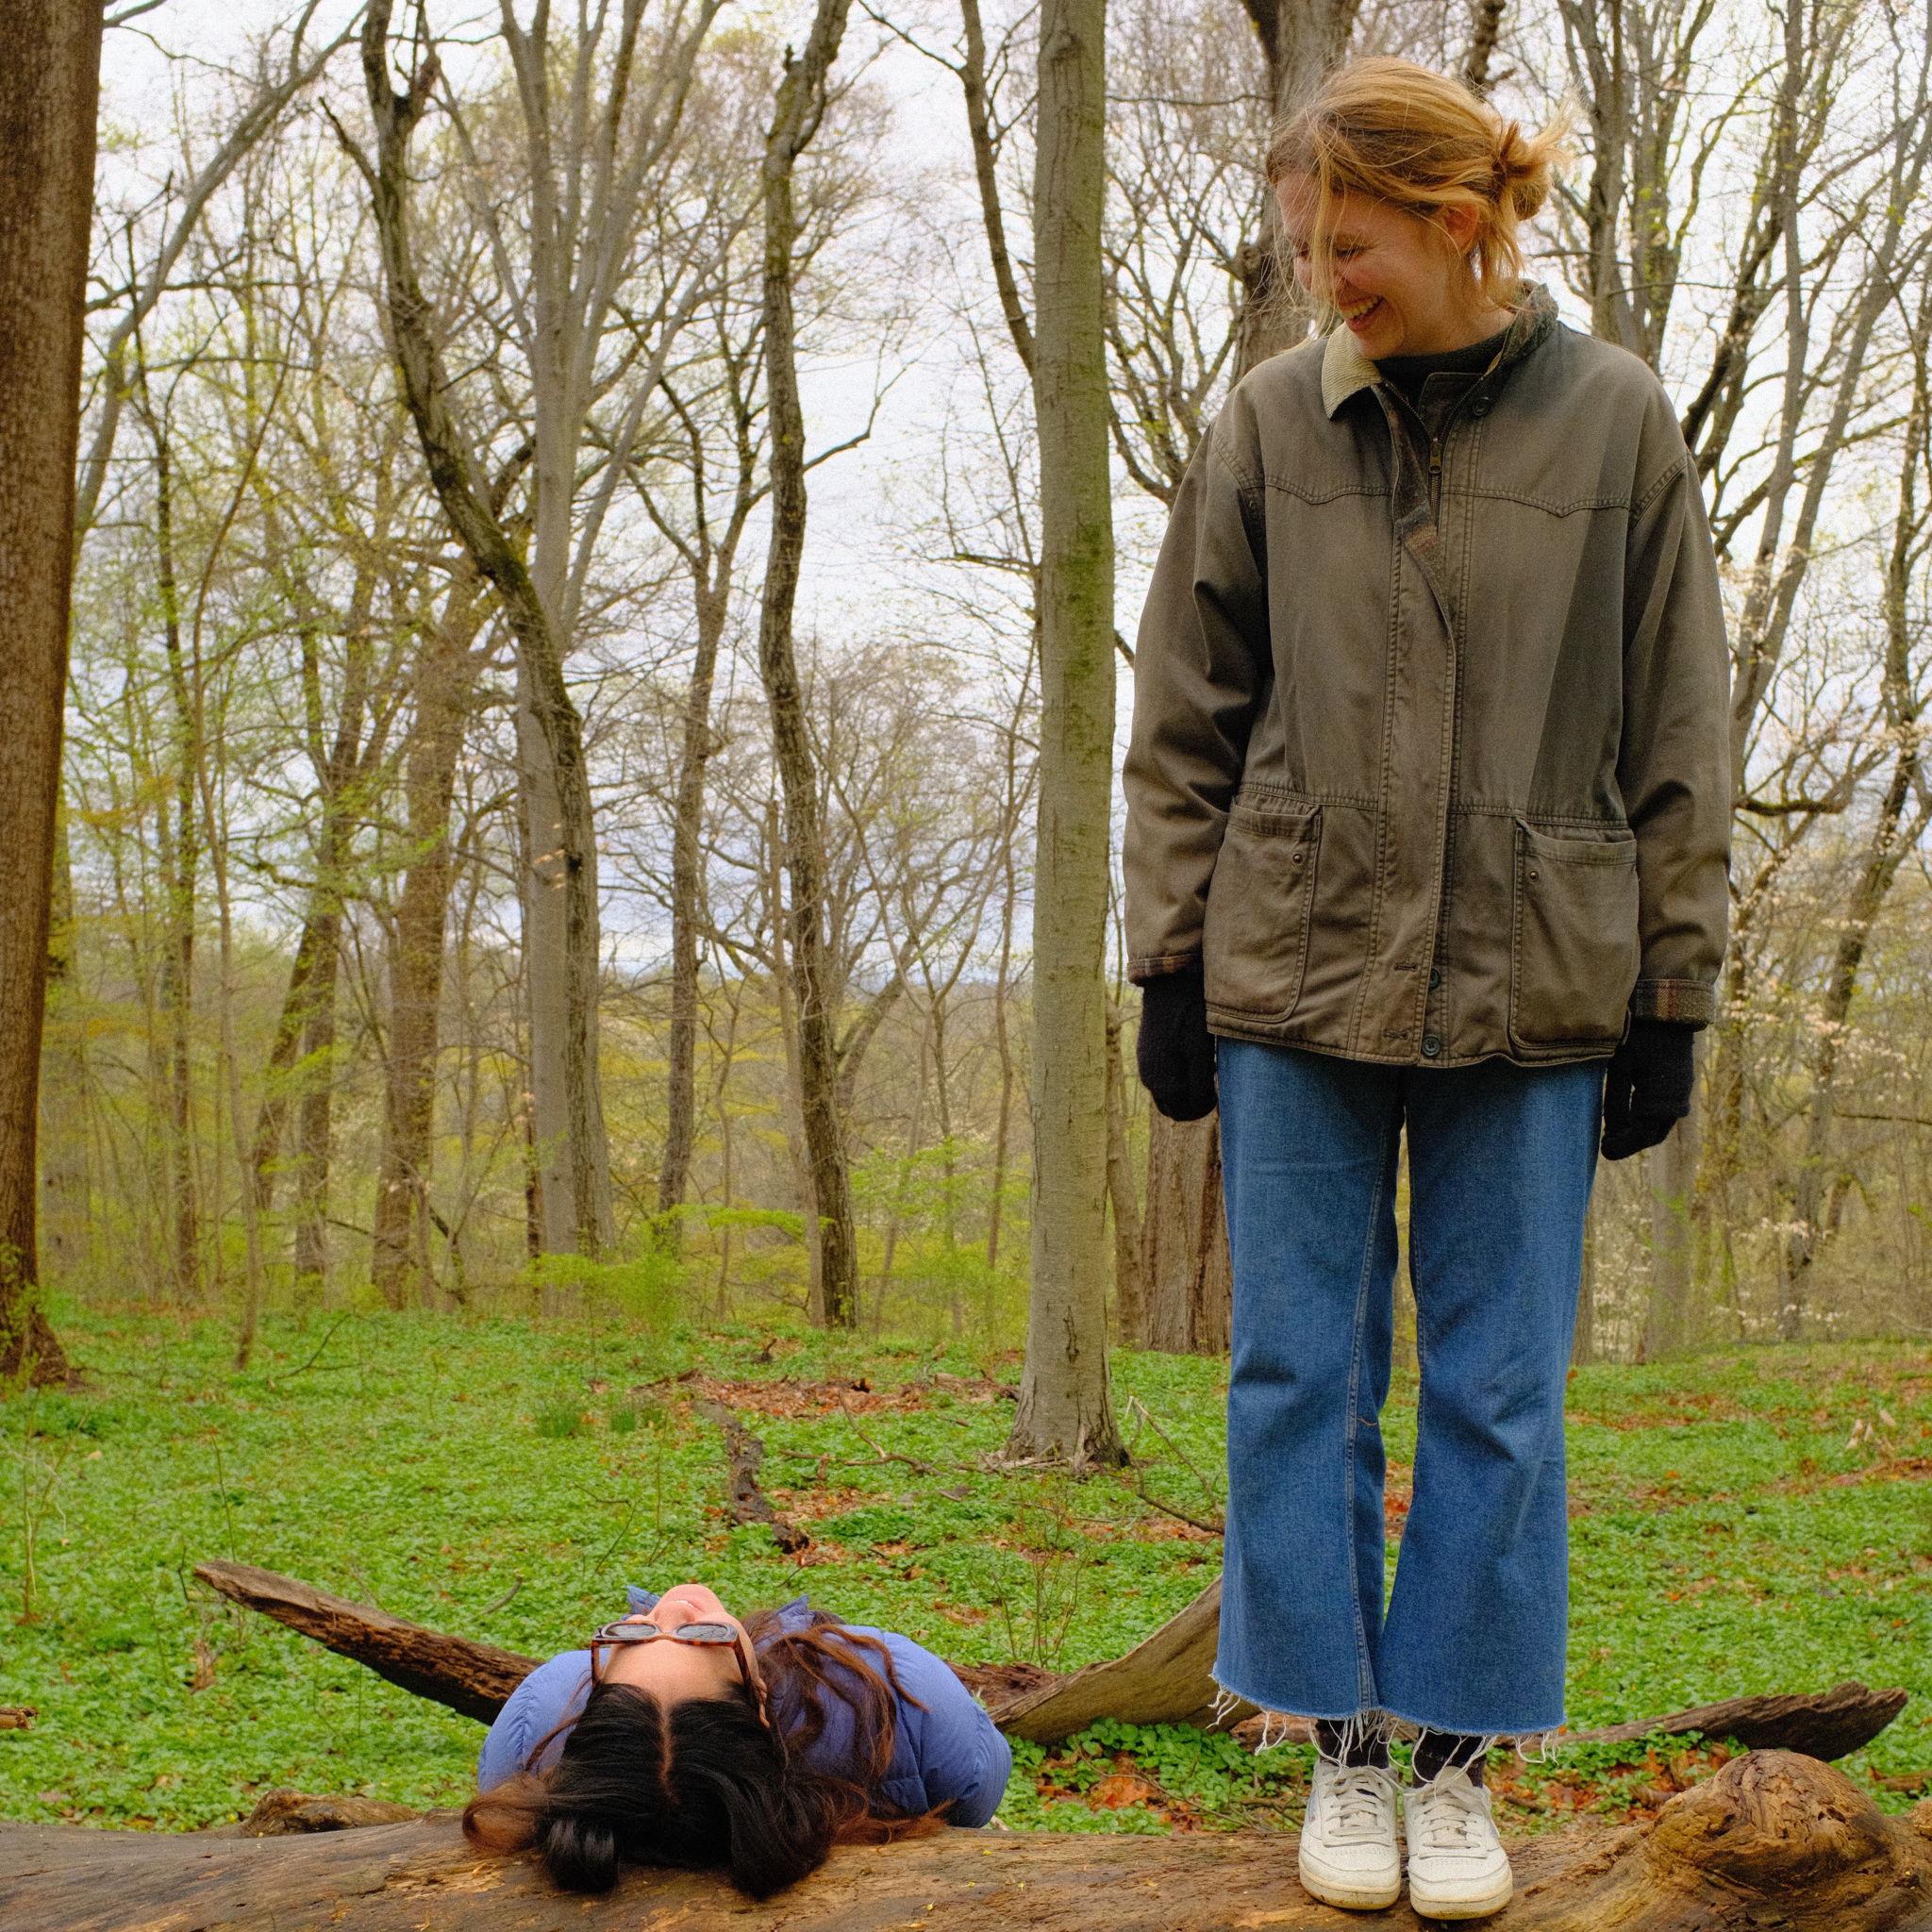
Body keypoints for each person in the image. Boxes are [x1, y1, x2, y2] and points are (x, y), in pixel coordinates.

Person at [1122, 55, 1729, 1922]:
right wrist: (1169, 956)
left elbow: (1679, 714)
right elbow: (1185, 712)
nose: (1326, 280)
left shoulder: (1614, 422)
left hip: (1539, 981)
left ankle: (1456, 1758)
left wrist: (1672, 987)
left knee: (1498, 1389)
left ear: (1456, 219)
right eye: (1307, 248)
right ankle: (1341, 1747)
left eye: (1352, 243)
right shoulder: (1264, 427)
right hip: (1294, 965)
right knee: (1296, 1371)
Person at [464, 1579, 1012, 1898]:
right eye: (706, 1638)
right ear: (761, 1704)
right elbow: (978, 1792)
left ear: (596, 1699)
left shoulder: (536, 1724)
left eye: (634, 1631)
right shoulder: (898, 1694)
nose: (672, 1607)